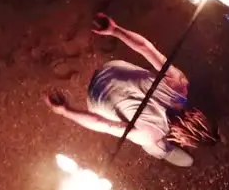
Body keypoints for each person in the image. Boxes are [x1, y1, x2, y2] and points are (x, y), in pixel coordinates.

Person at [43, 13, 219, 167]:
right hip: (95, 98)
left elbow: (145, 48)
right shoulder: (152, 135)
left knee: (153, 79)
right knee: (154, 144)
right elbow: (100, 123)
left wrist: (115, 30)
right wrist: (65, 111)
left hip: (109, 69)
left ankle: (166, 149)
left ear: (198, 113)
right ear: (184, 140)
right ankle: (163, 152)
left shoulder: (180, 86)